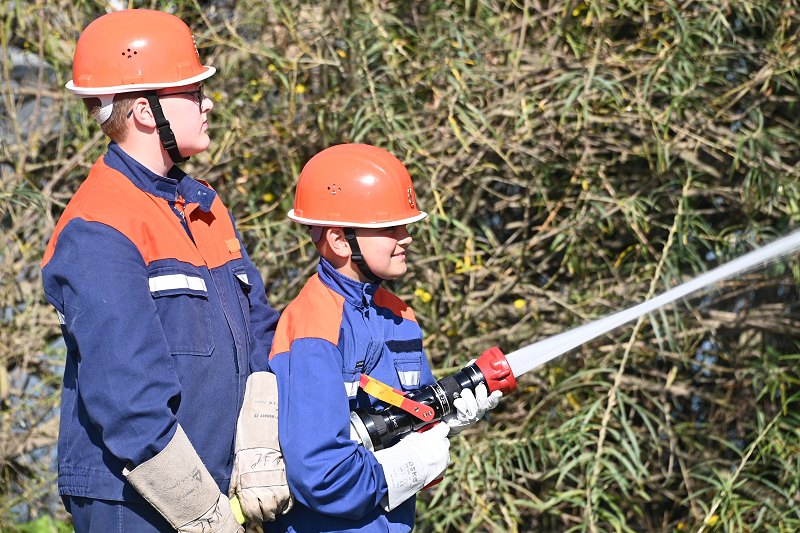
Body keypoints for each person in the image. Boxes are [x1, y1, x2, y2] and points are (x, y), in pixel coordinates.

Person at [41, 9, 289, 532]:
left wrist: (259, 441)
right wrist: (197, 509)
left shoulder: (204, 205)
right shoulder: (99, 226)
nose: (208, 103)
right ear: (145, 112)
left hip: (214, 485)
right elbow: (126, 396)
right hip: (132, 502)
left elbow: (260, 327)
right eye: (193, 92)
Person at [262, 143, 502, 532]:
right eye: (390, 228)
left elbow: (415, 430)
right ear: (340, 241)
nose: (406, 238)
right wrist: (400, 471)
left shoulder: (400, 316)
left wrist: (445, 423)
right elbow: (319, 475)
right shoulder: (313, 327)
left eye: (405, 226)